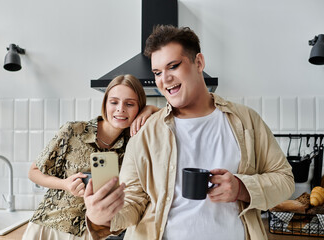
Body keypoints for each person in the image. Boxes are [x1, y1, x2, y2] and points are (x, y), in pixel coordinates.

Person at [83, 25, 295, 240]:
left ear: (199, 62)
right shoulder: (146, 131)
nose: (164, 79)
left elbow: (285, 180)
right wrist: (103, 217)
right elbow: (133, 200)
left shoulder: (246, 121)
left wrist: (241, 188)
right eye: (157, 72)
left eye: (173, 66)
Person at [21, 74, 159, 240]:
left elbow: (169, 117)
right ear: (105, 103)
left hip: (91, 234)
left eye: (129, 104)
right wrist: (65, 184)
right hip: (51, 226)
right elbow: (33, 172)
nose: (120, 109)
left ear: (139, 108)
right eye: (114, 102)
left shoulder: (134, 145)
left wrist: (151, 109)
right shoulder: (73, 131)